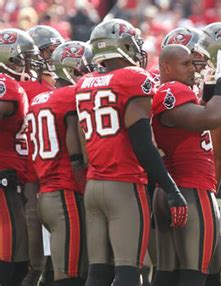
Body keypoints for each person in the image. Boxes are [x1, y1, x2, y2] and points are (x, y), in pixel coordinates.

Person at [74, 19, 187, 286]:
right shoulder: (133, 78)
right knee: (128, 270)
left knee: (98, 272)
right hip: (123, 185)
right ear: (124, 45)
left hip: (94, 185)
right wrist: (170, 187)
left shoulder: (85, 82)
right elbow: (142, 142)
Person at [150, 44, 221, 286]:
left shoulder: (172, 92)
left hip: (173, 187)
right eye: (185, 64)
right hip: (190, 188)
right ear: (166, 67)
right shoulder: (173, 90)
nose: (192, 69)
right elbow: (213, 117)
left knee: (168, 272)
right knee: (197, 271)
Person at [26, 41, 93, 286]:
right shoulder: (71, 95)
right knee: (70, 275)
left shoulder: (40, 98)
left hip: (45, 192)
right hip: (67, 193)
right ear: (74, 69)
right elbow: (77, 142)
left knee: (56, 270)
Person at [21, 24, 65, 286]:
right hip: (39, 182)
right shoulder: (38, 92)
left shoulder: (26, 90)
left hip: (33, 179)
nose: (55, 57)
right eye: (49, 52)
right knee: (40, 263)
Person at [0, 28, 39, 286]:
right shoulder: (7, 85)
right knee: (9, 256)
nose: (29, 64)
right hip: (3, 179)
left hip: (12, 179)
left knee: (16, 258)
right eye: (24, 57)